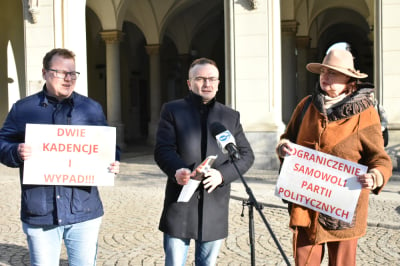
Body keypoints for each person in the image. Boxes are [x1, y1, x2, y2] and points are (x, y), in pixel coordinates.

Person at [0, 48, 120, 266]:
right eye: (61, 72)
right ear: (45, 73)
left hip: (84, 211)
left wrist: (113, 160)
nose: (68, 79)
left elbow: (109, 147)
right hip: (40, 212)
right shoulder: (23, 109)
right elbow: (2, 144)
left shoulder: (91, 108)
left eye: (73, 73)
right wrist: (16, 151)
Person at [276, 49, 392, 265]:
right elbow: (287, 138)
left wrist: (375, 176)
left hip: (344, 211)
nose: (325, 77)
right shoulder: (306, 106)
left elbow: (380, 160)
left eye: (333, 73)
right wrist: (284, 148)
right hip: (306, 208)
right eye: (323, 72)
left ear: (349, 79)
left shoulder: (365, 113)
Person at [154, 57, 254, 265]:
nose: (207, 83)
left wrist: (222, 175)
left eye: (212, 79)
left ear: (218, 83)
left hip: (214, 205)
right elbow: (163, 149)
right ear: (189, 83)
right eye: (200, 78)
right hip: (180, 200)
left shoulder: (230, 116)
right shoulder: (172, 110)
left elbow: (246, 155)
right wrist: (177, 170)